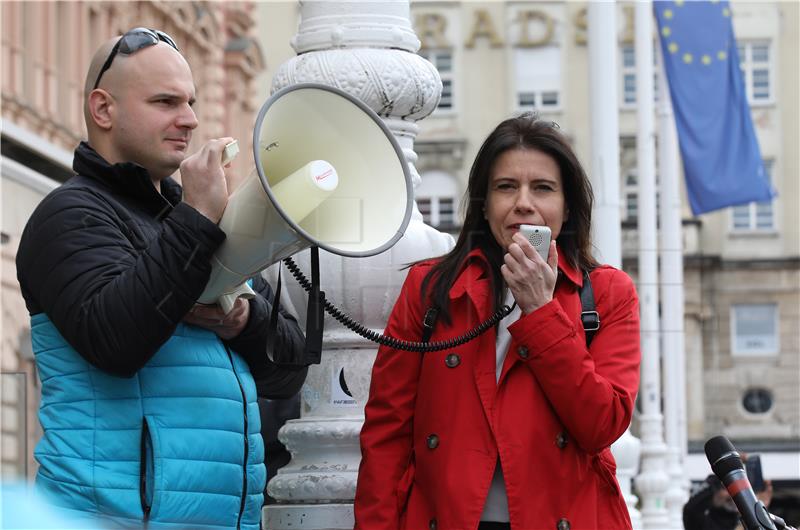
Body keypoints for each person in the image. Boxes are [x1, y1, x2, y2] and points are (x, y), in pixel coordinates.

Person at [15, 28, 309, 530]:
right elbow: (116, 341)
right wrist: (196, 216)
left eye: (191, 101)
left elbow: (288, 370)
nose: (190, 119)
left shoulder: (198, 222)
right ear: (103, 110)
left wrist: (244, 320)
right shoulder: (69, 216)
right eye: (165, 101)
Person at [354, 114, 641, 530]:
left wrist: (542, 311)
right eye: (506, 187)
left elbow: (603, 425)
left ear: (567, 206)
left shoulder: (609, 293)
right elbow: (386, 434)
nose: (523, 202)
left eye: (543, 188)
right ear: (484, 204)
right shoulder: (430, 287)